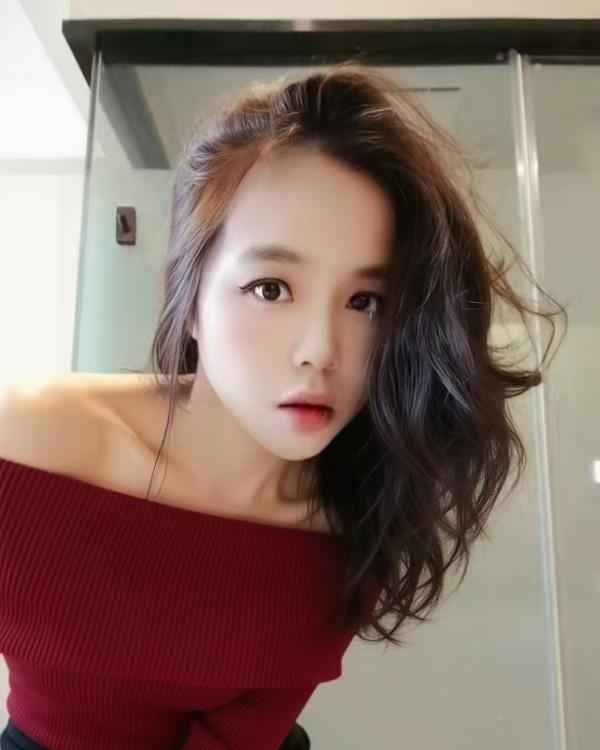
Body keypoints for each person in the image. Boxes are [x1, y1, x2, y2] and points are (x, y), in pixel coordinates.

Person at [0, 61, 566, 749]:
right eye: (271, 288)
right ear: (190, 299)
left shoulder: (352, 524)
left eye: (366, 302)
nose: (320, 350)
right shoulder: (32, 442)